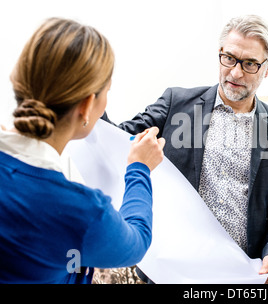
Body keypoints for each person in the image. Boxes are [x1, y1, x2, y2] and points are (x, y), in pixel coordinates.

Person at [103, 15, 268, 284]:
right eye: (229, 58)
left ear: (267, 69)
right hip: (172, 268)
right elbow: (116, 138)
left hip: (239, 271)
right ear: (220, 54)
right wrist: (91, 93)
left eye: (250, 63)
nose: (236, 72)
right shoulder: (176, 104)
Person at [0, 18, 165, 283]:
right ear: (87, 105)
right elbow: (137, 242)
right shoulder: (80, 210)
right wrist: (139, 168)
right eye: (106, 92)